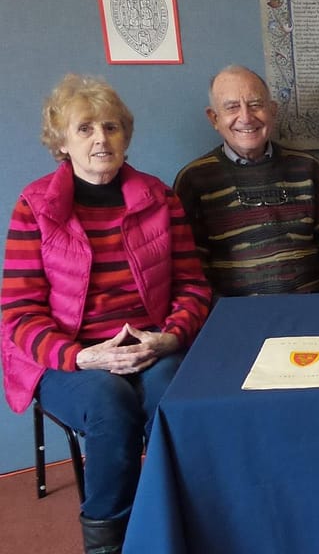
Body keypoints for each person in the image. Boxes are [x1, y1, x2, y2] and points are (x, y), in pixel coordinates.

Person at [1, 74, 211, 553]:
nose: (101, 138)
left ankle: (177, 525)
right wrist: (82, 357)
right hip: (68, 357)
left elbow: (193, 287)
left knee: (177, 399)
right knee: (110, 404)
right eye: (85, 128)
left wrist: (171, 337)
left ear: (125, 136)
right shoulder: (34, 207)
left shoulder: (160, 198)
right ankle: (108, 541)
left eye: (111, 127)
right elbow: (18, 312)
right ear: (61, 143)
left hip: (151, 345)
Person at [174, 65, 319, 296]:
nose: (245, 117)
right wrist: (222, 313)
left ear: (272, 110)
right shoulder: (194, 180)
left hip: (312, 306)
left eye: (255, 105)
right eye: (232, 107)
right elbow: (189, 266)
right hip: (234, 316)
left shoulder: (307, 167)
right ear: (214, 118)